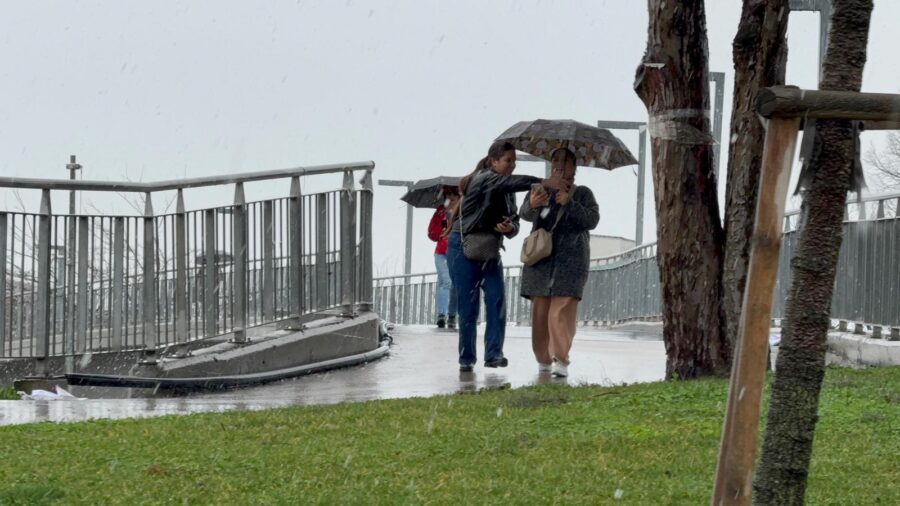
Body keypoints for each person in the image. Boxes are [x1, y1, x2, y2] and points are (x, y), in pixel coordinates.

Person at [447, 140, 559, 372]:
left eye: (514, 162)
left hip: (489, 248)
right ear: (493, 161)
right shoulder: (483, 179)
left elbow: (515, 218)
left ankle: (494, 355)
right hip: (464, 246)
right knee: (468, 307)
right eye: (508, 161)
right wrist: (543, 182)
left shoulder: (507, 191)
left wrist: (510, 228)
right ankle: (467, 359)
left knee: (497, 300)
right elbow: (510, 182)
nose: (512, 166)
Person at [519, 147, 600, 377]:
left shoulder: (583, 193)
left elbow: (592, 220)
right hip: (541, 262)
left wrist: (569, 203)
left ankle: (561, 359)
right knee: (541, 315)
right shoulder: (539, 188)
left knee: (560, 313)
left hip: (570, 262)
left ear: (575, 167)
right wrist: (533, 205)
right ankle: (543, 359)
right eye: (555, 160)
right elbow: (524, 214)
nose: (559, 165)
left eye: (565, 161)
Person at [427, 186, 459, 329]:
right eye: (448, 195)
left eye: (454, 195)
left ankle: (451, 314)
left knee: (455, 284)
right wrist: (442, 230)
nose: (451, 198)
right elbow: (432, 233)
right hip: (441, 252)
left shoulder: (465, 210)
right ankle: (442, 314)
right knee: (446, 282)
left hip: (458, 251)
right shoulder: (440, 212)